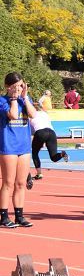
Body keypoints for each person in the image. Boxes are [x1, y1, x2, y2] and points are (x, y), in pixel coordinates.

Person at [1, 72, 36, 227]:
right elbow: (14, 115)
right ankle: (3, 216)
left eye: (21, 85)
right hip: (9, 146)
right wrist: (14, 99)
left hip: (24, 146)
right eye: (16, 86)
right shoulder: (3, 101)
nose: (19, 89)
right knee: (8, 182)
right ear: (8, 87)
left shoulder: (25, 99)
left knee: (21, 183)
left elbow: (33, 114)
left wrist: (25, 98)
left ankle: (19, 215)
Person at [29, 106, 69, 186]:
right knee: (53, 157)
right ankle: (62, 154)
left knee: (35, 153)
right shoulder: (45, 114)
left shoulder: (31, 116)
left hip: (40, 132)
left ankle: (39, 173)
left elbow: (31, 131)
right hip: (52, 133)